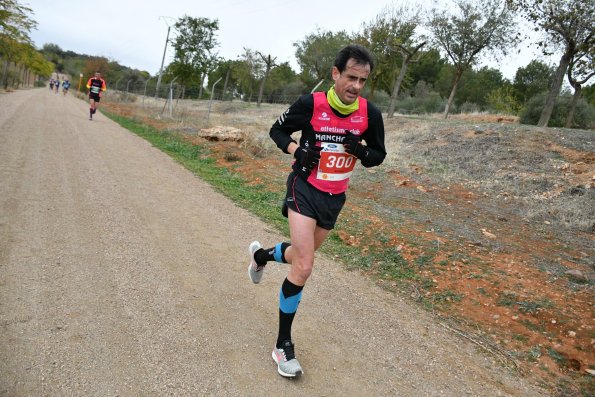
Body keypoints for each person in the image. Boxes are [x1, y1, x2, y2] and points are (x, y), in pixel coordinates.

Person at [247, 44, 386, 378]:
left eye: (362, 80)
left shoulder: (370, 114)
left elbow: (378, 155)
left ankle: (261, 257)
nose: (355, 86)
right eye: (351, 77)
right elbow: (277, 130)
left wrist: (360, 151)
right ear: (335, 73)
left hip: (334, 197)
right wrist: (297, 150)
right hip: (304, 189)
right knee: (305, 265)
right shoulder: (312, 104)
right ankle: (283, 346)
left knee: (298, 256)